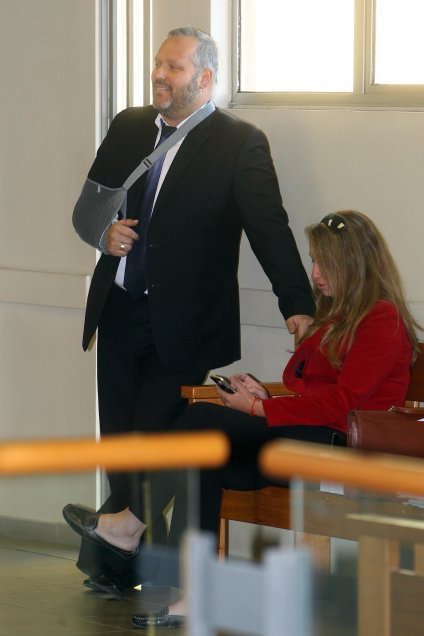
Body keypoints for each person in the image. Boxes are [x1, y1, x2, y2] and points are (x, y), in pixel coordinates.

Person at [65, 209, 421, 629]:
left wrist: (258, 410)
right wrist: (262, 396)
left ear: (353, 264)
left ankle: (129, 526)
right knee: (205, 460)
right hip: (312, 441)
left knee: (200, 417)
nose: (315, 273)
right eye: (313, 261)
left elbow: (343, 405)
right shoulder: (336, 317)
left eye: (324, 263)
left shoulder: (381, 318)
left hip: (350, 453)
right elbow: (314, 393)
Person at [65, 25, 314, 593]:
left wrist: (296, 303)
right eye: (158, 63)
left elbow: (270, 229)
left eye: (173, 68)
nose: (159, 74)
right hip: (119, 311)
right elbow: (86, 211)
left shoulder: (239, 142)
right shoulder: (129, 126)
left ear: (204, 79)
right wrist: (104, 235)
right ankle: (120, 564)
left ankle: (120, 545)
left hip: (186, 324)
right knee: (121, 445)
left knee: (154, 438)